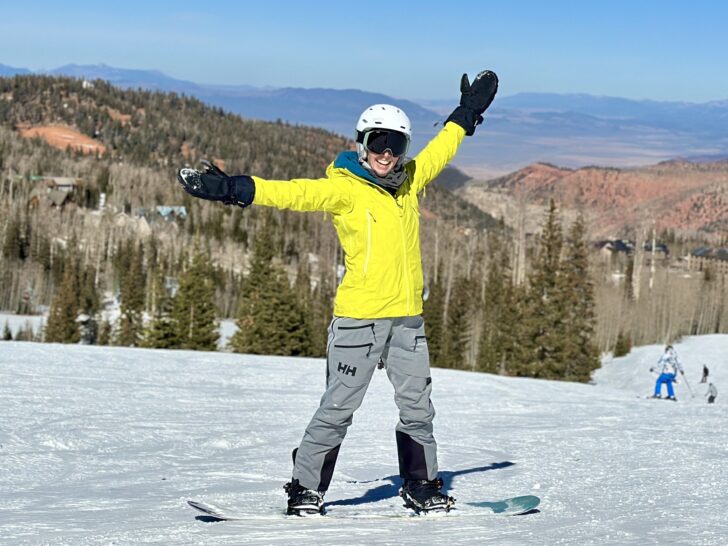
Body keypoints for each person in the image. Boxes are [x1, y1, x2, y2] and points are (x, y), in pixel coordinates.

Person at [177, 70, 499, 516]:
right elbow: (292, 193)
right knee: (337, 409)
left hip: (407, 321)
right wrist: (233, 189)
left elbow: (442, 149)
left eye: (396, 144)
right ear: (362, 143)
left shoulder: (408, 184)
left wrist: (467, 114)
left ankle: (421, 485)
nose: (387, 153)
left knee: (419, 411)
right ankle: (306, 488)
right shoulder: (344, 190)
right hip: (359, 321)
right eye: (378, 142)